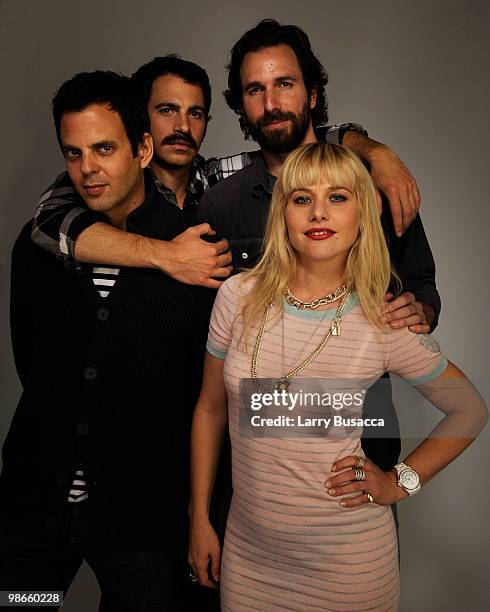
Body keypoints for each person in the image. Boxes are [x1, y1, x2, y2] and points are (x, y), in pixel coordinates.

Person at [188, 143, 487, 611]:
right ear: (283, 213)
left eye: (339, 197)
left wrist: (398, 481)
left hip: (349, 568)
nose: (318, 212)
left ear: (363, 215)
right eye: (302, 198)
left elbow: (469, 411)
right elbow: (209, 408)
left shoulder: (382, 319)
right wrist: (199, 518)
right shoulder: (235, 297)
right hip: (250, 560)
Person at [0, 71, 217, 611]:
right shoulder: (38, 248)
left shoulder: (195, 251)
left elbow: (201, 396)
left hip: (142, 522)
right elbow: (32, 362)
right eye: (73, 153)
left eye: (104, 148)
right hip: (35, 514)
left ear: (143, 149)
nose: (88, 169)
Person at [31, 52, 419, 288]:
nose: (183, 127)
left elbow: (297, 149)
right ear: (140, 123)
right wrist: (167, 255)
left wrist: (372, 150)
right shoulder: (103, 181)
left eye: (195, 113)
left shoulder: (217, 177)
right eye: (167, 110)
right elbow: (47, 222)